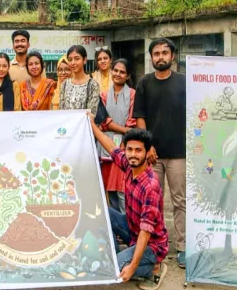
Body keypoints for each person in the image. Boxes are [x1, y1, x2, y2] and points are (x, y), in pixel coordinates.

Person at [90, 123, 168, 289]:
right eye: (129, 149)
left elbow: (146, 232)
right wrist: (91, 124)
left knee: (113, 268)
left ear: (148, 153)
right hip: (132, 231)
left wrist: (132, 266)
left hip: (152, 245)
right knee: (103, 211)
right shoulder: (129, 165)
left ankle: (152, 269)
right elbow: (110, 146)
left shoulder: (151, 186)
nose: (133, 154)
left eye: (138, 150)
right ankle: (120, 256)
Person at [133, 38, 187, 268]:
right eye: (156, 54)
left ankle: (183, 246)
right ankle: (155, 245)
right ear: (151, 57)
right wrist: (148, 146)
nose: (161, 57)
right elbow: (140, 117)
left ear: (172, 56)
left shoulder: (185, 82)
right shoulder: (144, 83)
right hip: (152, 155)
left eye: (165, 53)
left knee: (180, 201)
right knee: (152, 203)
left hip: (178, 154)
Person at [100, 59, 137, 213]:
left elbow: (132, 121)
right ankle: (117, 232)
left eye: (122, 72)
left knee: (123, 189)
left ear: (128, 76)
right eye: (115, 70)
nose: (118, 74)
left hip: (124, 149)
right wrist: (124, 130)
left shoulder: (133, 95)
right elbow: (103, 122)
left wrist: (124, 138)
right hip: (106, 148)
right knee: (110, 191)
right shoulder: (103, 95)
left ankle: (127, 227)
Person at [60, 45, 101, 118]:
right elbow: (62, 110)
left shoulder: (93, 84)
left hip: (84, 127)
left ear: (84, 60)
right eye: (70, 59)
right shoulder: (65, 84)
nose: (73, 62)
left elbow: (92, 113)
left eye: (77, 59)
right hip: (67, 127)